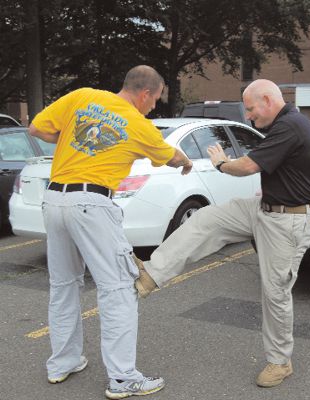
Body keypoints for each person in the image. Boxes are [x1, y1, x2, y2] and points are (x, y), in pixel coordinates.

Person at [134, 79, 310, 388]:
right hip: (265, 209)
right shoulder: (284, 124)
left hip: (288, 222)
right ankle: (151, 275)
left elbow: (248, 167)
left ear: (267, 100)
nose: (248, 116)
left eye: (250, 109)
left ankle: (280, 362)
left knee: (275, 292)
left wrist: (221, 163)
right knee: (209, 219)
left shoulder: (292, 125)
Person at [29, 65, 193, 399]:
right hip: (92, 204)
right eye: (156, 100)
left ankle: (63, 362)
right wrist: (188, 163)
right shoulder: (137, 124)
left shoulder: (82, 97)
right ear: (145, 93)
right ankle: (122, 378)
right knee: (118, 288)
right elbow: (171, 157)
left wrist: (83, 143)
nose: (154, 107)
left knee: (63, 284)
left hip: (55, 199)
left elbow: (37, 128)